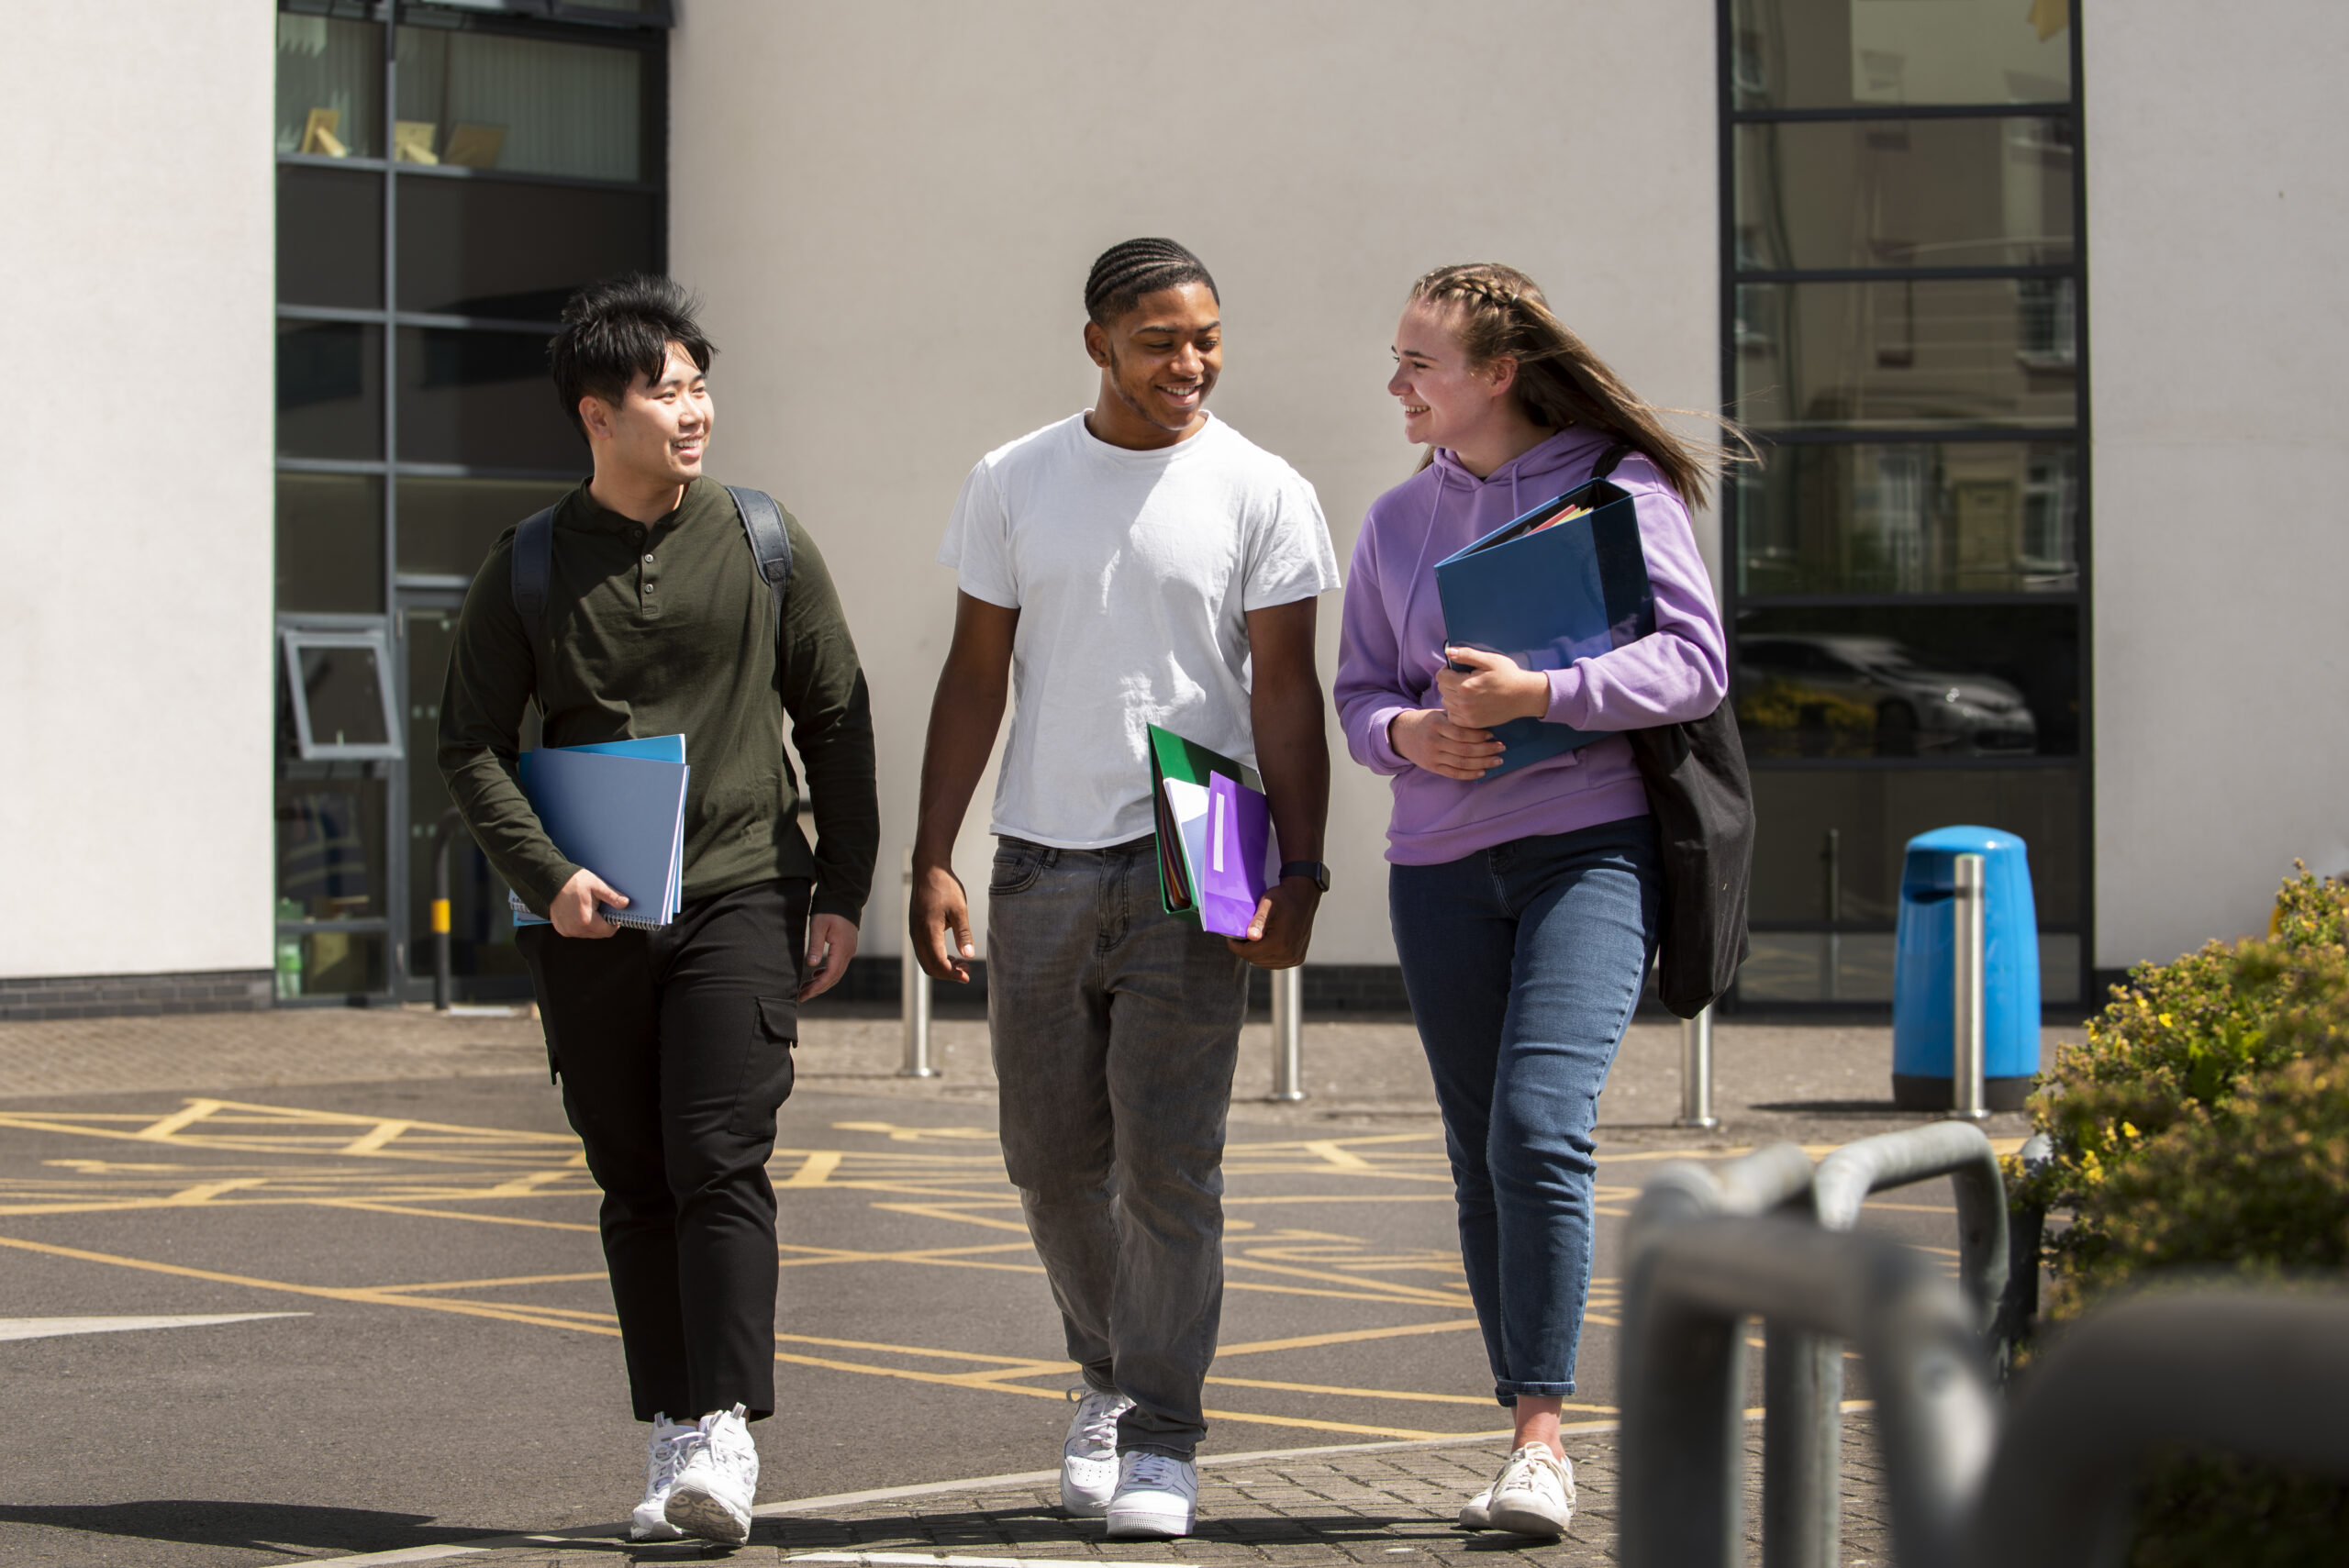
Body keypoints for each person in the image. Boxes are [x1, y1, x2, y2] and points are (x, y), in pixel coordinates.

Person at [438, 274, 878, 1546]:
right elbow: (468, 742)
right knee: (633, 1177)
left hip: (743, 884)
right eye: (668, 391)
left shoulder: (759, 538)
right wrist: (548, 875)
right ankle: (673, 1427)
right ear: (598, 414)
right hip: (592, 914)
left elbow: (836, 712)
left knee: (717, 1152)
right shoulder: (524, 564)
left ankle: (728, 1427)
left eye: (700, 385)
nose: (697, 410)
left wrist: (842, 885)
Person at [908, 239, 1338, 1540]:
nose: (1188, 363)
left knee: (1170, 1166)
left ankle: (1160, 1432)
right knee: (1047, 1161)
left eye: (1206, 337)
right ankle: (1103, 1368)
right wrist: (932, 852)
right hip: (1038, 855)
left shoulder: (1262, 488)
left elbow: (1284, 695)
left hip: (1203, 841)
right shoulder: (1015, 478)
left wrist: (1302, 871)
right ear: (1097, 341)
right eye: (1159, 340)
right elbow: (977, 674)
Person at [1333, 263, 1734, 1539]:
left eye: (1420, 363)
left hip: (1588, 848)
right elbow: (1356, 696)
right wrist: (1411, 732)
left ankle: (1542, 1443)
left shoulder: (1619, 487)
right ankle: (1522, 1420)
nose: (1397, 383)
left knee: (1538, 1124)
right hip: (1438, 867)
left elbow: (1693, 660)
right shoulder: (1397, 520)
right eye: (1397, 359)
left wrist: (1541, 698)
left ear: (1497, 373)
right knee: (1477, 1156)